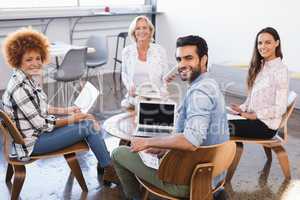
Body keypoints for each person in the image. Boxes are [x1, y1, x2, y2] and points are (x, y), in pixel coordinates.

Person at [112, 35, 229, 199]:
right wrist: (165, 147)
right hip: (213, 175)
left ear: (204, 60)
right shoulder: (210, 84)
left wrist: (148, 141)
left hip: (188, 181)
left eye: (189, 58)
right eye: (179, 59)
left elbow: (192, 139)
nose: (181, 64)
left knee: (118, 153)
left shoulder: (199, 92)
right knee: (155, 146)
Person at [1, 27, 117, 183]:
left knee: (86, 121)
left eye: (38, 58)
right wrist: (74, 118)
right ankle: (108, 167)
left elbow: (42, 108)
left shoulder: (24, 79)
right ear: (18, 60)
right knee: (88, 125)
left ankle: (105, 165)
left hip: (32, 136)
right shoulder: (20, 88)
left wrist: (68, 110)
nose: (35, 63)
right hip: (34, 143)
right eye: (29, 59)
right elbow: (42, 125)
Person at [229, 27, 289, 139]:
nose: (262, 47)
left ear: (277, 43)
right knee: (216, 119)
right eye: (260, 43)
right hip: (252, 119)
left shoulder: (281, 71)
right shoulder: (260, 66)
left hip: (265, 126)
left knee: (218, 127)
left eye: (268, 42)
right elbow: (253, 100)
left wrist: (255, 115)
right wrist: (241, 109)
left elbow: (280, 108)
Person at [121, 15, 170, 107]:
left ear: (150, 30)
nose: (141, 31)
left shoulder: (160, 50)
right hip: (136, 95)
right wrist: (129, 86)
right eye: (138, 28)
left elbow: (166, 76)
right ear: (134, 32)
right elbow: (124, 74)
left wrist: (164, 90)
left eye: (144, 28)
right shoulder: (127, 51)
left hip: (156, 95)